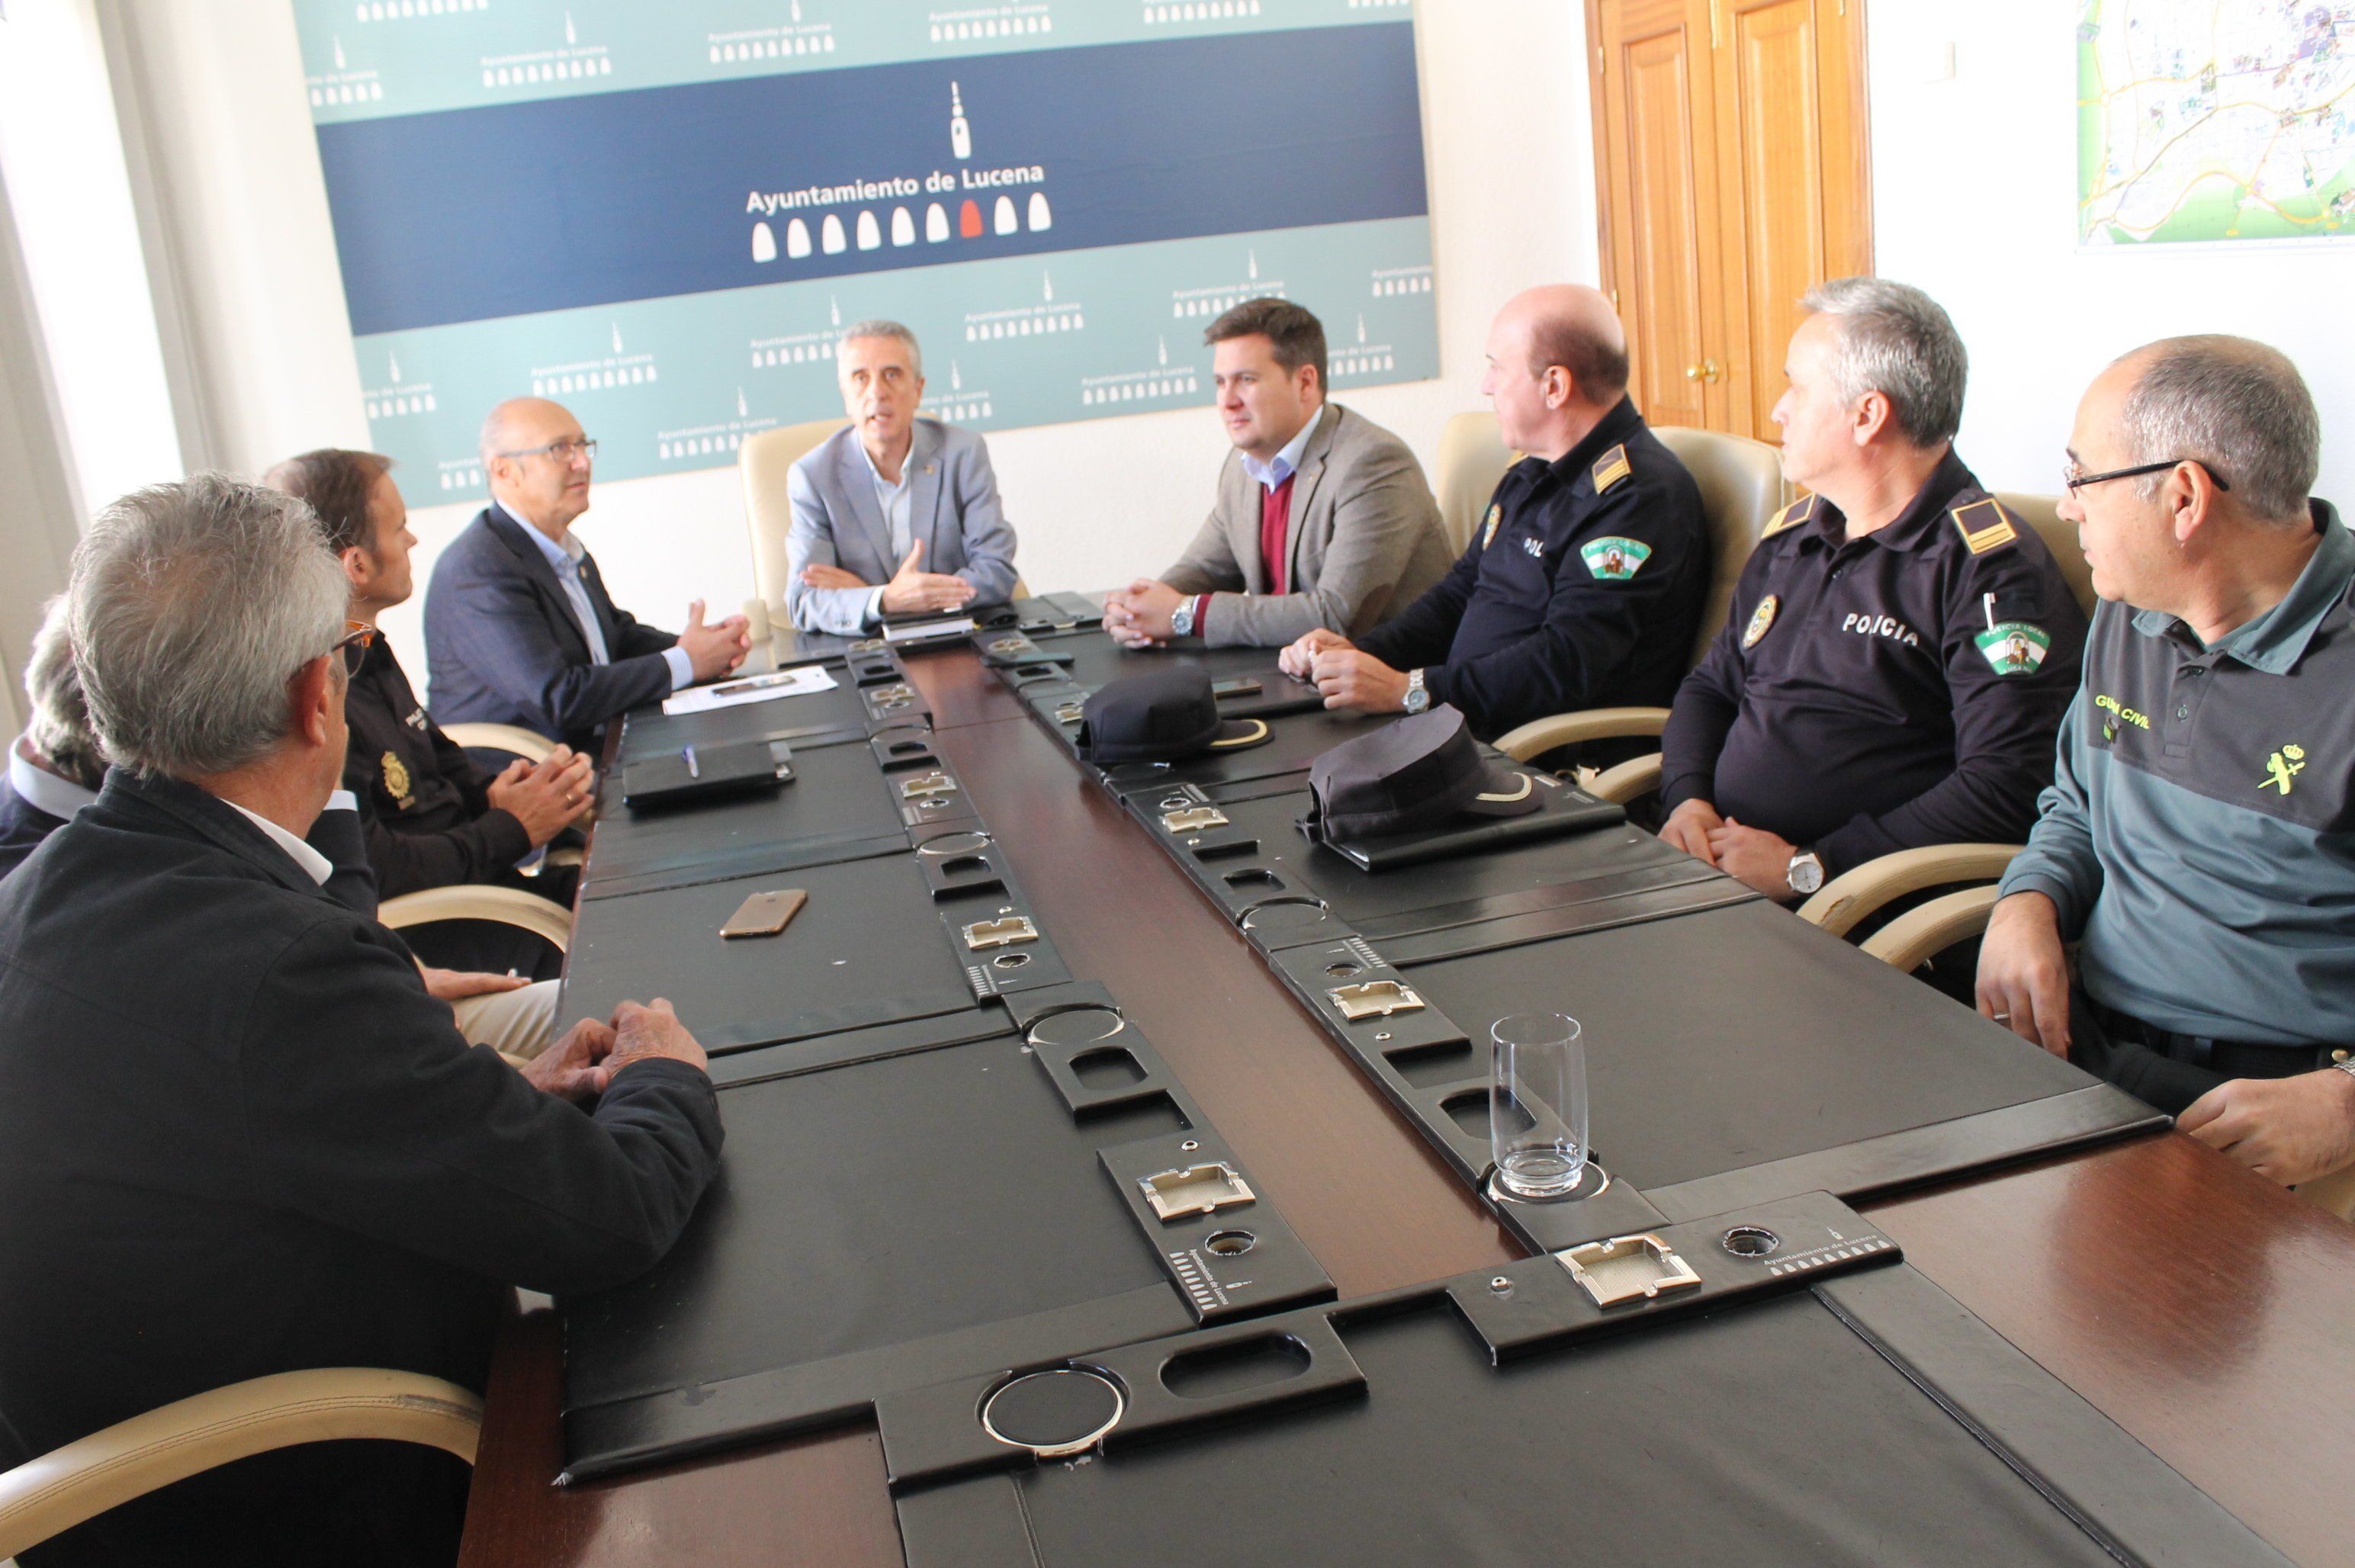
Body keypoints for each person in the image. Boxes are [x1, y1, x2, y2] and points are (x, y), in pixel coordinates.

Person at [0, 474, 724, 1565]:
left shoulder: (49, 887)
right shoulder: (278, 971)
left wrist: (503, 1101)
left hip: (122, 1468)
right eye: (345, 658)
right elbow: (609, 1220)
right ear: (315, 696)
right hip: (312, 1493)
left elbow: (236, 1133)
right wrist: (668, 1076)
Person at [1977, 335, 2355, 1204]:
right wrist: (2027, 901)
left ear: (2183, 498)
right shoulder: (2132, 608)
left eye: (2080, 476)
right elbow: (2076, 805)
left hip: (2271, 1115)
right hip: (2086, 1055)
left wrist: (2343, 1104)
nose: (2066, 508)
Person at [1656, 278, 2087, 919]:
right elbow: (1712, 689)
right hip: (1721, 877)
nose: (1778, 408)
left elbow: (2005, 786)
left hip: (1860, 911)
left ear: (1868, 415)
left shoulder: (1988, 569)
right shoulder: (1793, 539)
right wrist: (1688, 798)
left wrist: (1813, 866)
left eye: (1797, 388)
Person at [1277, 285, 1706, 741]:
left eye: (1497, 368)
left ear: (1555, 386)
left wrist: (1412, 690)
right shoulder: (1532, 472)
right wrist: (1357, 657)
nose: (1486, 385)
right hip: (1463, 724)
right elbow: (1460, 595)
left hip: (1544, 758)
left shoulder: (1637, 498)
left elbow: (1569, 661)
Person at [269, 448, 590, 980]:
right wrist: (511, 827)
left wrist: (501, 793)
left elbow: (440, 760)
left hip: (480, 879)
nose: (412, 540)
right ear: (358, 564)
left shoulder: (368, 649)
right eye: (399, 529)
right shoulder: (316, 695)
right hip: (443, 925)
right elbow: (378, 870)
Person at [1100, 297, 1450, 648]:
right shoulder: (1243, 466)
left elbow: (1334, 617)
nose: (1227, 401)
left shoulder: (1372, 463)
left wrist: (1186, 613)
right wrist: (1137, 607)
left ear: (1305, 383)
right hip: (1293, 675)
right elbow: (1205, 570)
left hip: (1388, 684)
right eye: (1221, 382)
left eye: (1246, 380)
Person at [425, 397, 751, 753]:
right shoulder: (479, 569)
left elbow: (615, 638)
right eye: (560, 449)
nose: (581, 462)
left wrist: (704, 649)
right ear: (503, 470)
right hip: (531, 776)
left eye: (582, 445)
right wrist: (685, 662)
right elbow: (558, 697)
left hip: (597, 745)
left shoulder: (562, 546)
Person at [786, 320, 1020, 634]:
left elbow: (996, 572)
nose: (877, 392)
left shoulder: (963, 454)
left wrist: (880, 596)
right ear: (845, 395)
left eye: (892, 375)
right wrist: (885, 599)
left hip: (955, 641)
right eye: (860, 378)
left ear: (918, 390)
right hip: (863, 652)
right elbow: (803, 602)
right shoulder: (813, 476)